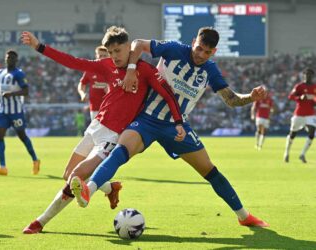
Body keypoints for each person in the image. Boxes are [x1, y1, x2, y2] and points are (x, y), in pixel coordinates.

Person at [72, 27, 270, 228]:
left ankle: (243, 216)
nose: (201, 55)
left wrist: (250, 98)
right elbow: (138, 43)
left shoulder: (210, 70)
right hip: (147, 119)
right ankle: (89, 190)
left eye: (207, 52)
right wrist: (131, 71)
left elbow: (231, 99)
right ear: (193, 41)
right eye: (199, 48)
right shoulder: (174, 49)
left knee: (210, 171)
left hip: (178, 127)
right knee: (120, 152)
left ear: (214, 52)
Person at [20, 27, 185, 234]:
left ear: (128, 47)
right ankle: (110, 188)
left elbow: (168, 94)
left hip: (113, 135)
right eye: (110, 52)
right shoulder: (106, 65)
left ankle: (40, 222)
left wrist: (178, 121)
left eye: (118, 51)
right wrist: (39, 46)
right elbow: (72, 61)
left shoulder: (145, 71)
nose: (114, 56)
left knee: (76, 178)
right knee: (67, 175)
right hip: (96, 126)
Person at [0, 49, 40, 176]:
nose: (9, 59)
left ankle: (35, 159)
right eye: (7, 57)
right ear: (5, 58)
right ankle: (2, 167)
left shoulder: (19, 74)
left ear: (16, 60)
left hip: (16, 111)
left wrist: (12, 94)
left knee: (22, 136)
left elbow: (26, 91)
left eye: (12, 58)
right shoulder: (1, 72)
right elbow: (2, 87)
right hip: (2, 110)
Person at [283, 68, 316, 163]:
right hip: (299, 113)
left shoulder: (315, 87)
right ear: (304, 75)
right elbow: (290, 96)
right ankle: (286, 153)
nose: (308, 76)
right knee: (293, 134)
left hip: (310, 114)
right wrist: (299, 97)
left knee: (312, 132)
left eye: (310, 74)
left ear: (312, 76)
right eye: (306, 74)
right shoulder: (299, 86)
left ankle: (302, 154)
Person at [78, 46, 109, 121]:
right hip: (94, 109)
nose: (102, 58)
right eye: (100, 56)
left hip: (109, 108)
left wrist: (108, 88)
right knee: (95, 131)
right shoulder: (90, 69)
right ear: (96, 56)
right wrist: (82, 94)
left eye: (104, 56)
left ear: (108, 56)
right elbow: (82, 84)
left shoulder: (113, 69)